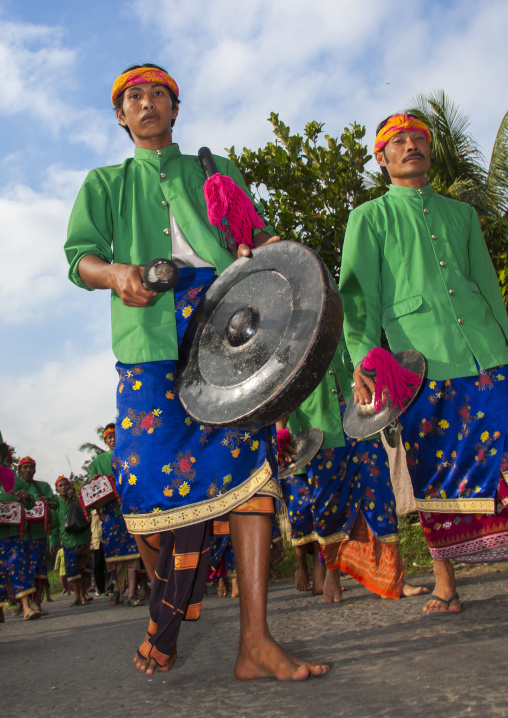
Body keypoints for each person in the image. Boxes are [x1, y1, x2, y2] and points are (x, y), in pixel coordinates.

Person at [64, 63, 328, 680]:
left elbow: (256, 241)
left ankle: (256, 643)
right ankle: (174, 597)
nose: (148, 103)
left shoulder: (215, 171)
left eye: (160, 94)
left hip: (227, 325)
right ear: (121, 117)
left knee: (252, 473)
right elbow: (81, 257)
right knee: (141, 475)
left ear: (175, 110)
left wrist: (256, 262)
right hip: (148, 334)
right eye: (134, 97)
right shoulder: (103, 183)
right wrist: (117, 274)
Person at [339, 112, 508, 614]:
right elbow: (358, 298)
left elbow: (485, 285)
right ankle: (445, 581)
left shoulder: (461, 214)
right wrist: (363, 357)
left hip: (486, 351)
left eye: (419, 139)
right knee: (434, 468)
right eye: (399, 141)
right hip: (420, 364)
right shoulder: (368, 218)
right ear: (382, 158)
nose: (411, 145)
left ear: (429, 152)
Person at [277, 339, 428, 602]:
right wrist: (281, 433)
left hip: (361, 417)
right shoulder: (290, 333)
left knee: (380, 494)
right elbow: (283, 390)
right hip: (321, 429)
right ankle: (332, 576)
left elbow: (365, 354)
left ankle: (393, 579)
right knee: (328, 505)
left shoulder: (344, 315)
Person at [87, 424, 142, 606]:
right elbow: (92, 488)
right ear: (105, 441)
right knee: (113, 554)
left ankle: (132, 593)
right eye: (109, 437)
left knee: (132, 553)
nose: (112, 439)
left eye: (115, 436)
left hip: (129, 510)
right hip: (109, 514)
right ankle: (118, 590)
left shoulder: (129, 454)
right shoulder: (99, 461)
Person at [17, 456, 58, 614]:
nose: (28, 470)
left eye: (31, 467)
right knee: (22, 569)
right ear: (19, 470)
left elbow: (56, 503)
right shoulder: (13, 486)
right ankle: (22, 603)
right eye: (24, 467)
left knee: (40, 568)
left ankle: (38, 605)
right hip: (19, 535)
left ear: (35, 470)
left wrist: (47, 499)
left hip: (38, 534)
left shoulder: (43, 486)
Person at [0, 471, 41, 620]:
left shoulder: (16, 481)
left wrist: (28, 497)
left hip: (15, 533)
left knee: (19, 567)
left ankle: (26, 608)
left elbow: (31, 504)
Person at [50, 476, 92, 607]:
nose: (63, 487)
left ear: (70, 486)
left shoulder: (78, 499)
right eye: (60, 486)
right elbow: (55, 525)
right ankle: (77, 597)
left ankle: (84, 594)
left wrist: (75, 499)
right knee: (72, 570)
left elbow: (88, 513)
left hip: (83, 537)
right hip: (68, 541)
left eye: (65, 485)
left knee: (84, 569)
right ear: (57, 489)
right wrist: (53, 541)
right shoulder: (56, 505)